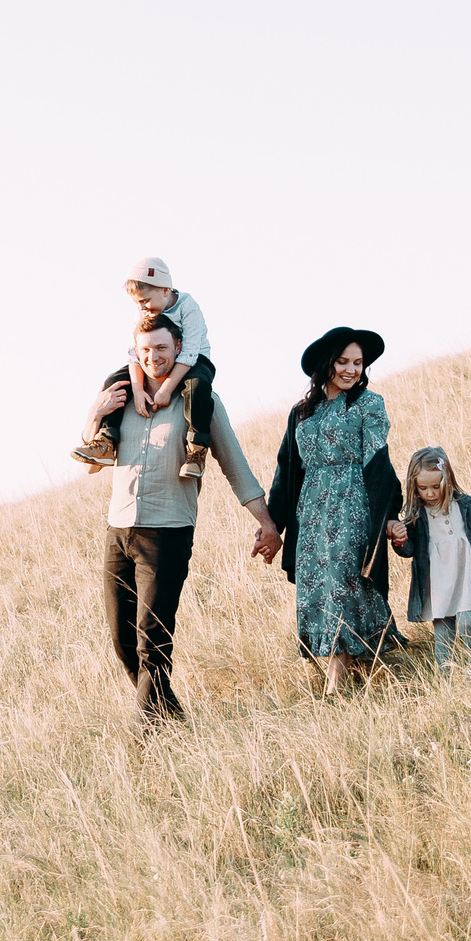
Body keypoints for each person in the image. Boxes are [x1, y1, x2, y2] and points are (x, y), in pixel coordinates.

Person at [82, 311, 282, 730]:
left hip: (167, 534)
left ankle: (147, 737)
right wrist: (93, 415)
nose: (153, 356)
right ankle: (174, 720)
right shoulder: (120, 398)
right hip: (117, 532)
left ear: (178, 350)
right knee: (123, 642)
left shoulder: (199, 399)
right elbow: (92, 463)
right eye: (145, 349)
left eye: (161, 348)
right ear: (135, 353)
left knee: (152, 640)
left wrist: (267, 524)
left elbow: (234, 464)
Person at [262, 327, 401, 694]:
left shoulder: (368, 404)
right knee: (318, 586)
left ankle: (336, 681)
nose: (352, 369)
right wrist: (272, 525)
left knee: (343, 578)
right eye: (343, 361)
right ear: (327, 364)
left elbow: (378, 462)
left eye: (358, 363)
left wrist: (389, 512)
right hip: (311, 511)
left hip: (353, 503)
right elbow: (286, 472)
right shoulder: (301, 413)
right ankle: (360, 659)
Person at [73, 257, 220, 480]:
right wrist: (138, 390)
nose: (142, 308)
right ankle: (106, 440)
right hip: (155, 362)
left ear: (164, 290)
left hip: (194, 362)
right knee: (114, 381)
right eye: (137, 304)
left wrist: (166, 390)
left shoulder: (188, 308)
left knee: (197, 386)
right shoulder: (143, 312)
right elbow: (134, 354)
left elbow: (190, 352)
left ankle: (196, 450)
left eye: (145, 301)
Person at [385, 446, 471, 672]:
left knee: (469, 623)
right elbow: (409, 550)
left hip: (466, 574)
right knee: (443, 633)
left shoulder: (464, 504)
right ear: (415, 486)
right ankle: (447, 680)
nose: (430, 493)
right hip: (438, 581)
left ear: (447, 479)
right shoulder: (416, 515)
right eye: (423, 488)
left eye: (436, 486)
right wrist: (399, 542)